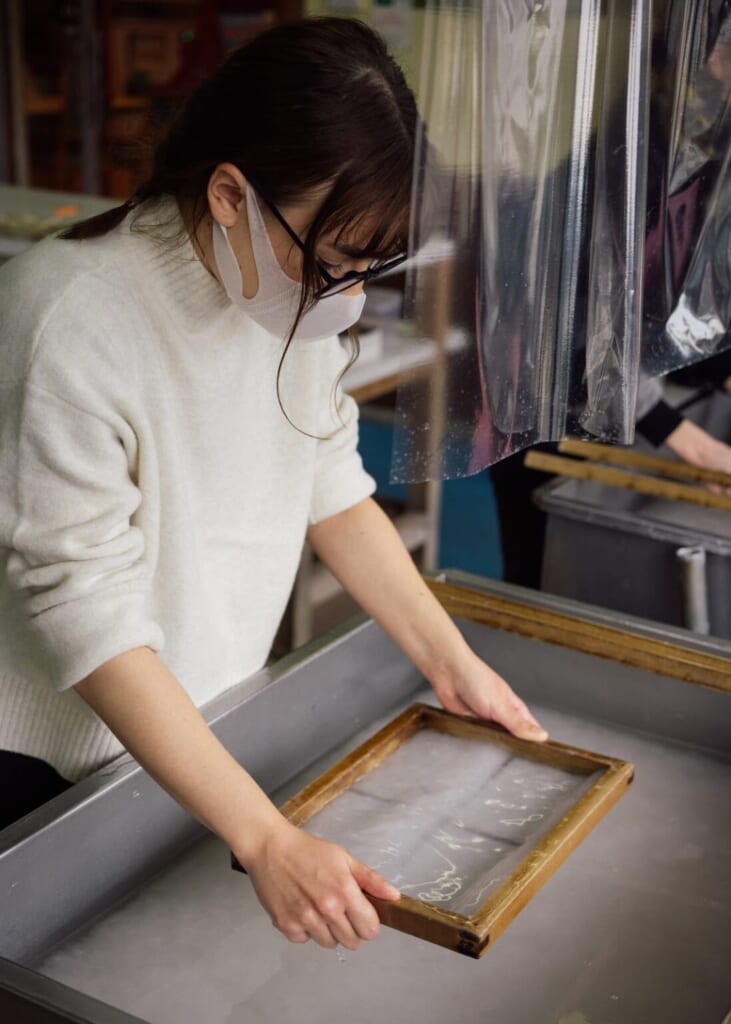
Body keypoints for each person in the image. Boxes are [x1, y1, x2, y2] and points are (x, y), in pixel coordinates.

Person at [0, 18, 547, 953]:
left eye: (371, 267)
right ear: (228, 194)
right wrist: (262, 837)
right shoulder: (67, 318)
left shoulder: (280, 296)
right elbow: (86, 615)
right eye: (335, 262)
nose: (347, 298)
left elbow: (330, 485)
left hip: (203, 727)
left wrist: (452, 663)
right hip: (58, 760)